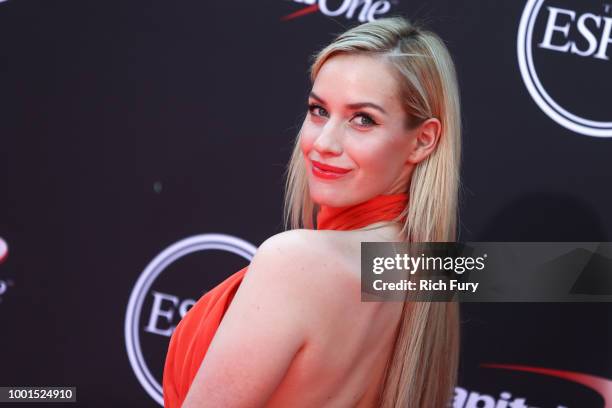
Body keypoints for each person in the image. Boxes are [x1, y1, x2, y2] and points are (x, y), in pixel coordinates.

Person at [163, 15, 461, 408]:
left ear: (423, 141)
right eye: (319, 110)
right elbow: (559, 272)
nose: (324, 143)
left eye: (363, 119)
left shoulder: (295, 261)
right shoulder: (433, 269)